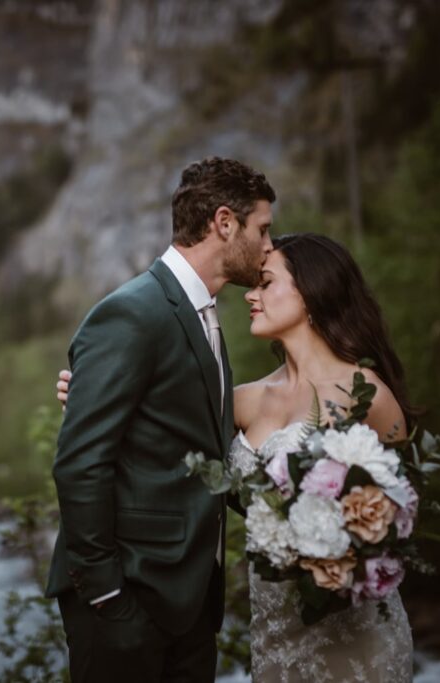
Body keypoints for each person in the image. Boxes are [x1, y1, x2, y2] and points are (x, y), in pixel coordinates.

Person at [57, 232, 416, 681]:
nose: (251, 294)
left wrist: (349, 553)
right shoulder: (244, 401)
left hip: (353, 625)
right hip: (276, 626)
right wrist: (92, 396)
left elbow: (404, 513)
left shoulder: (370, 396)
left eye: (266, 283)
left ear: (312, 293)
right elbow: (158, 437)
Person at [44, 157, 276, 683]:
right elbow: (80, 464)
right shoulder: (132, 312)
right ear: (223, 222)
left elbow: (202, 450)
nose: (269, 245)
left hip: (191, 602)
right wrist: (107, 596)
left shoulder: (206, 316)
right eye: (262, 229)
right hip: (129, 596)